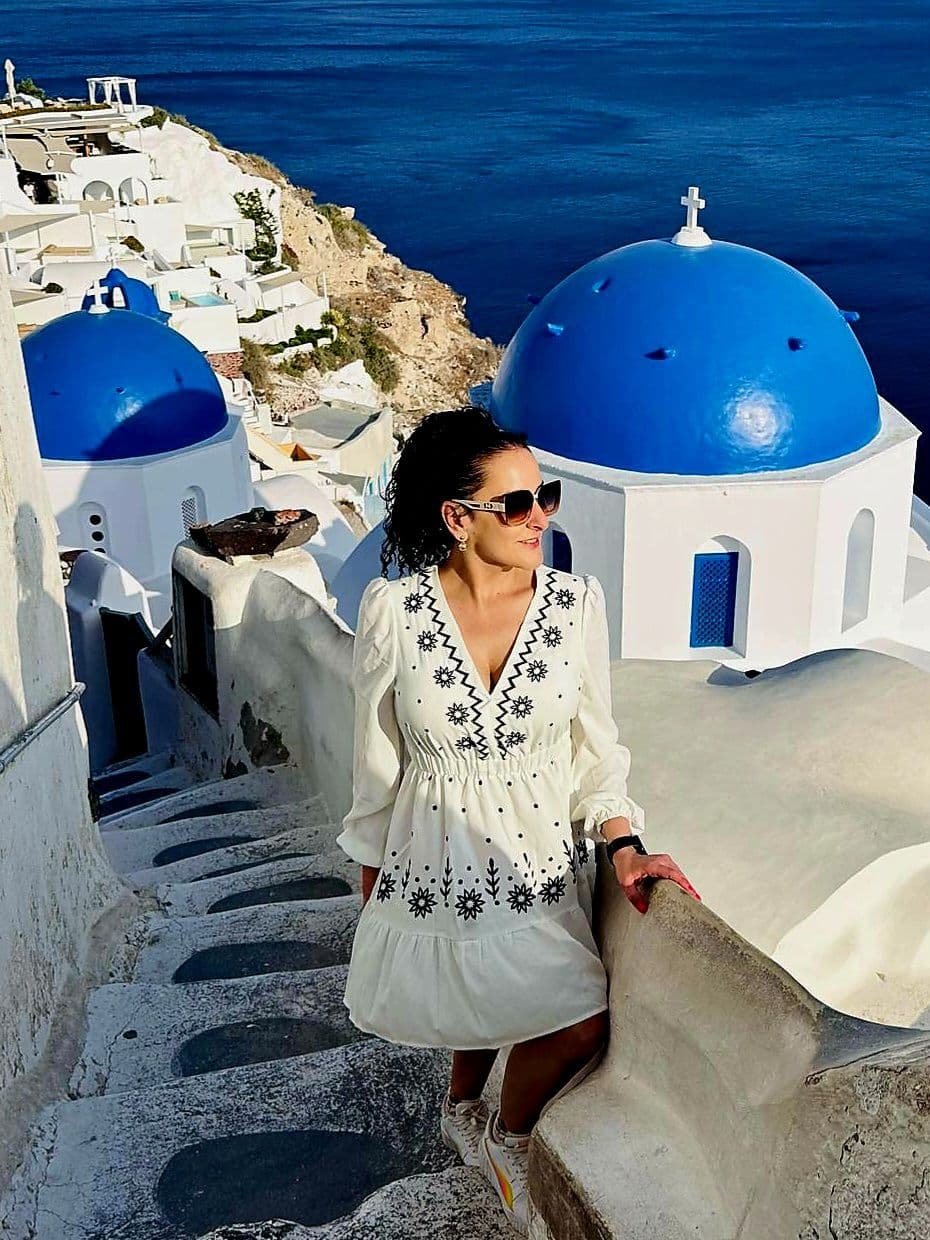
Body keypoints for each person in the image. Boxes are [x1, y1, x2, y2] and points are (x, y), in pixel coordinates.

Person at [336, 407, 700, 1234]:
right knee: (475, 997)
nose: (541, 516)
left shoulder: (574, 607)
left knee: (575, 1022)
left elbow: (598, 753)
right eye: (518, 504)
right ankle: (462, 1106)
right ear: (457, 519)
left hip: (536, 869)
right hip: (432, 868)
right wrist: (370, 894)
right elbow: (377, 772)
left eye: (548, 495)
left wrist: (627, 845)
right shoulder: (394, 612)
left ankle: (509, 1131)